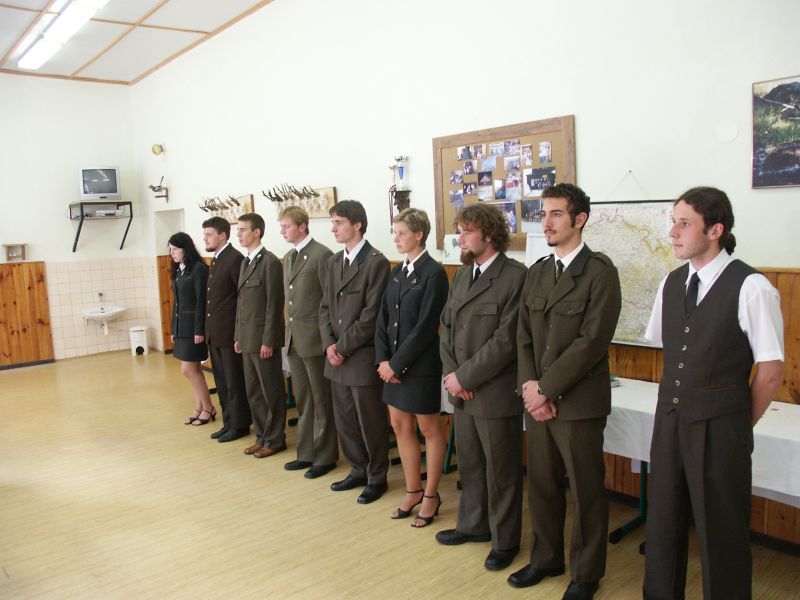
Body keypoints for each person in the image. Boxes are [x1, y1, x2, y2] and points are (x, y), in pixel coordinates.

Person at [642, 187, 784, 600]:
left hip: (722, 427)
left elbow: (771, 373)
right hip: (671, 421)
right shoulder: (671, 283)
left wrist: (737, 422)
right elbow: (675, 350)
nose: (673, 232)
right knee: (663, 523)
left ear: (715, 230)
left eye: (684, 223)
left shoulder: (751, 286)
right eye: (673, 222)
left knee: (722, 531)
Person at [510, 183, 621, 600]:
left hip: (577, 403)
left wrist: (546, 389)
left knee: (587, 490)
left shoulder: (599, 273)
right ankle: (546, 559)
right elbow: (522, 336)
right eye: (544, 214)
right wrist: (530, 389)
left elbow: (591, 342)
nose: (547, 222)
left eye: (556, 213)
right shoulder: (538, 271)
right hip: (537, 400)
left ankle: (587, 573)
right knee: (542, 484)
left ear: (580, 219)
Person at [436, 203, 527, 571]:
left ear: (489, 235)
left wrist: (466, 377)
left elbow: (506, 341)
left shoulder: (515, 277)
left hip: (494, 392)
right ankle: (473, 525)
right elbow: (446, 327)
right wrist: (453, 376)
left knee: (501, 471)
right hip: (462, 389)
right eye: (460, 231)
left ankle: (505, 541)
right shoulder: (462, 275)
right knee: (471, 464)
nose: (460, 238)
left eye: (467, 232)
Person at [375, 208, 449, 527]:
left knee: (429, 429)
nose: (396, 238)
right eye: (395, 232)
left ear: (419, 235)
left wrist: (396, 364)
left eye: (402, 232)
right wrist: (383, 360)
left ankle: (431, 495)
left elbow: (426, 327)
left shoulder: (434, 273)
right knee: (400, 426)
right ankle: (413, 489)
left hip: (420, 366)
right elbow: (382, 319)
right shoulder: (397, 271)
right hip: (391, 365)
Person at [319, 200, 391, 504]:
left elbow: (371, 316)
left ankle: (377, 477)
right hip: (335, 356)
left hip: (360, 355)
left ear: (357, 224)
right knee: (345, 420)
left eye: (338, 222)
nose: (333, 229)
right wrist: (329, 344)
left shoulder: (375, 262)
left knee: (370, 421)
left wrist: (342, 347)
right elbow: (324, 306)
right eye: (332, 222)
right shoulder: (333, 261)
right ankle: (357, 469)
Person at [278, 206, 339, 479]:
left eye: (286, 226)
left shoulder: (321, 254)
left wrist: (328, 340)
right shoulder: (289, 257)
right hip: (294, 338)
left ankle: (325, 456)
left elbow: (329, 301)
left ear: (302, 226)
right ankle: (306, 452)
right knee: (303, 398)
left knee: (321, 400)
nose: (282, 231)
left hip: (315, 339)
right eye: (281, 227)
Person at [235, 213, 287, 459]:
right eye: (238, 230)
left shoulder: (269, 263)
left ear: (257, 232)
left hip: (263, 340)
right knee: (254, 392)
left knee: (271, 391)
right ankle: (261, 436)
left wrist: (269, 340)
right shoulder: (246, 262)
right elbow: (241, 304)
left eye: (243, 230)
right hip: (247, 338)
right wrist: (238, 335)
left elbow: (274, 306)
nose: (239, 234)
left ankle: (275, 439)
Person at [202, 217, 251, 443]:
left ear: (222, 235)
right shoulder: (217, 259)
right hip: (216, 333)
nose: (205, 238)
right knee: (221, 382)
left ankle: (240, 424)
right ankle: (228, 422)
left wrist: (238, 333)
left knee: (234, 382)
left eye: (209, 234)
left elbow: (241, 299)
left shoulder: (234, 259)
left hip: (229, 332)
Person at [168, 232, 216, 425]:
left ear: (185, 249)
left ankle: (208, 407)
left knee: (187, 369)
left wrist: (199, 330)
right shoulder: (180, 269)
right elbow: (177, 303)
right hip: (182, 328)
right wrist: (174, 329)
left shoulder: (199, 269)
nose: (172, 253)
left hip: (193, 329)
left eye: (175, 249)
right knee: (193, 369)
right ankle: (200, 407)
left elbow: (201, 302)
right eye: (170, 249)